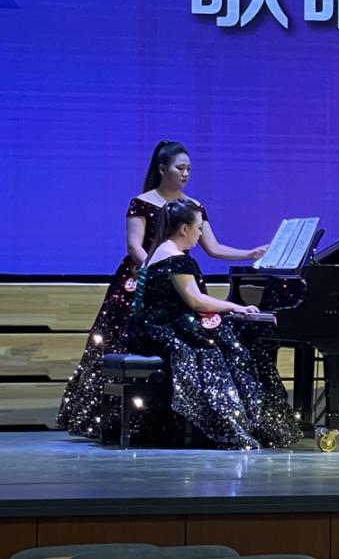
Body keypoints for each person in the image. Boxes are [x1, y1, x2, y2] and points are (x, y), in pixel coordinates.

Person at [56, 140, 267, 438]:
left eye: (189, 169)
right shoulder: (142, 202)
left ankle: (176, 419)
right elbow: (134, 247)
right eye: (180, 168)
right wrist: (158, 271)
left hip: (180, 278)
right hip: (143, 278)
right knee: (121, 340)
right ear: (162, 169)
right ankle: (113, 419)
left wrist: (249, 254)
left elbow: (214, 247)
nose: (185, 174)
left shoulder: (192, 207)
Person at [126, 199, 300, 449]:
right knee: (235, 350)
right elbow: (195, 301)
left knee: (231, 342)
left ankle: (249, 419)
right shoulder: (177, 258)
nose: (200, 235)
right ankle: (242, 422)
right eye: (198, 229)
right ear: (184, 229)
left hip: (151, 326)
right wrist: (235, 307)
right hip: (166, 328)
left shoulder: (158, 251)